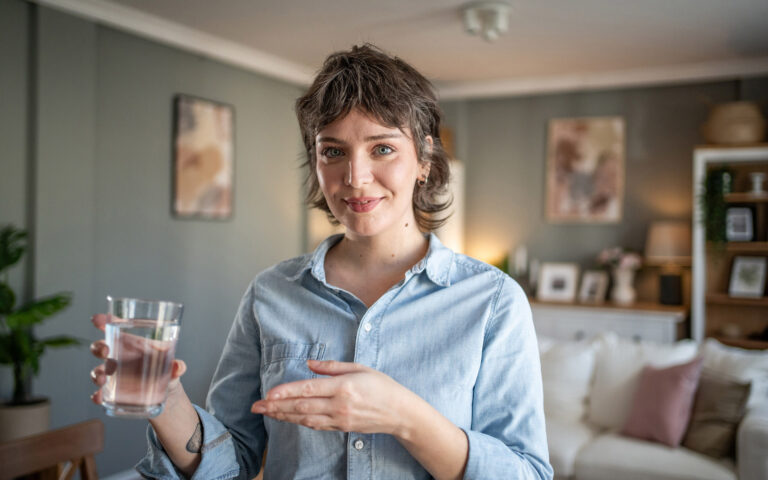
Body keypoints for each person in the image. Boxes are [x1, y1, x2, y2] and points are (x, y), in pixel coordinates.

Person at [89, 44, 553, 480]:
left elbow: (527, 471)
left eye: (382, 148)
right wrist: (166, 400)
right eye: (333, 151)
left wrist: (403, 416)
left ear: (425, 158)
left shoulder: (493, 301)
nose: (355, 177)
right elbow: (233, 463)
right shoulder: (271, 293)